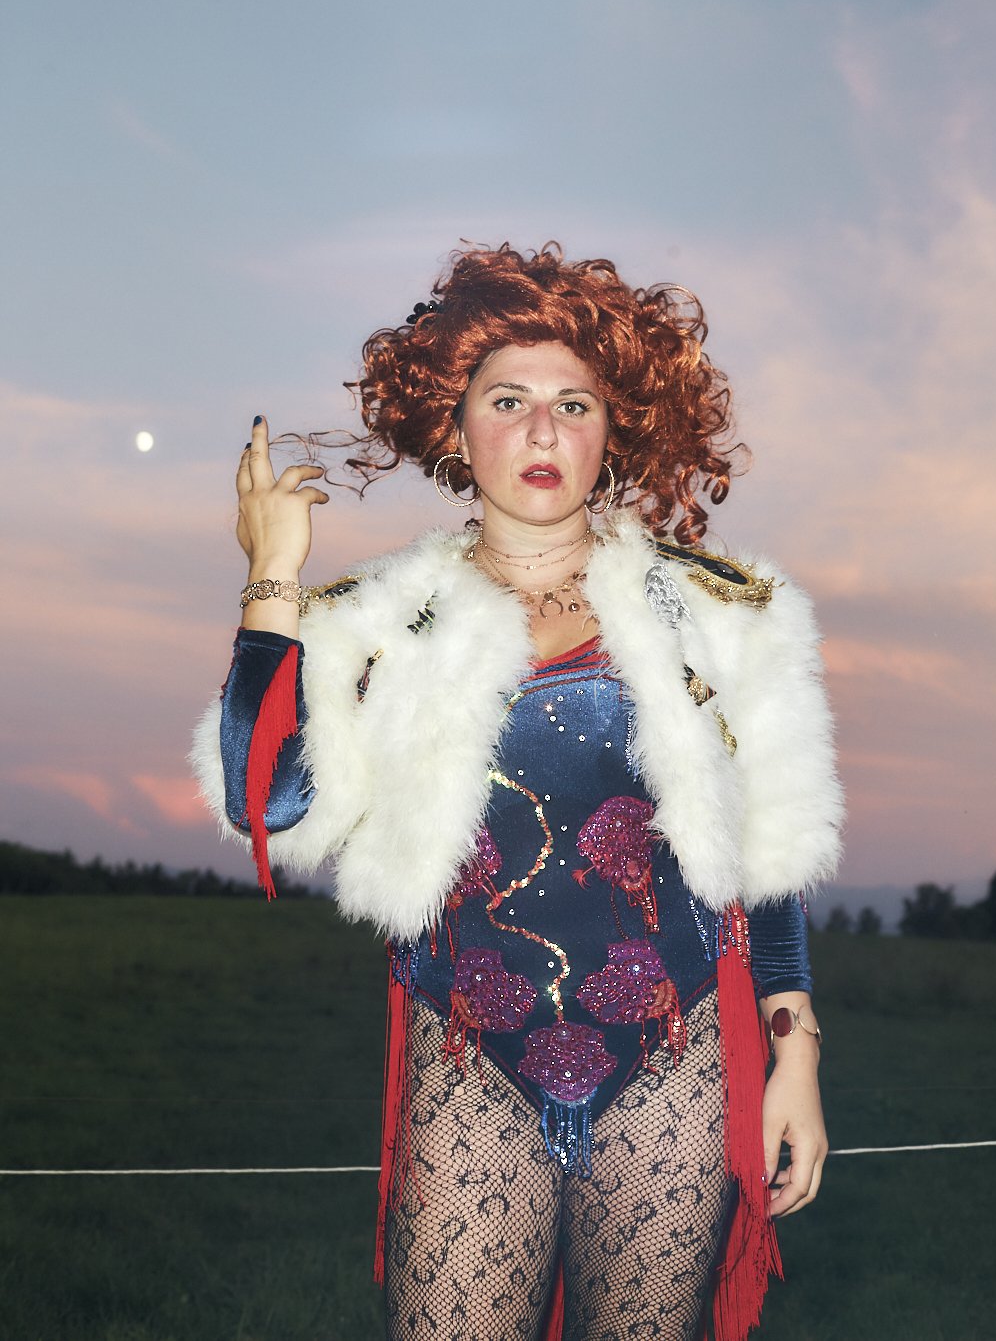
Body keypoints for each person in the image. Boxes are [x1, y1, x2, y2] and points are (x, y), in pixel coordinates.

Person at [192, 242, 842, 1341]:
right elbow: (270, 805)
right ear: (454, 431)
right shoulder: (375, 625)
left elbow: (770, 855)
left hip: (673, 1060)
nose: (542, 431)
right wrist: (273, 582)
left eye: (571, 404)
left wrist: (796, 1050)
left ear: (611, 432)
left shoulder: (723, 612)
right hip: (467, 1065)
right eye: (507, 401)